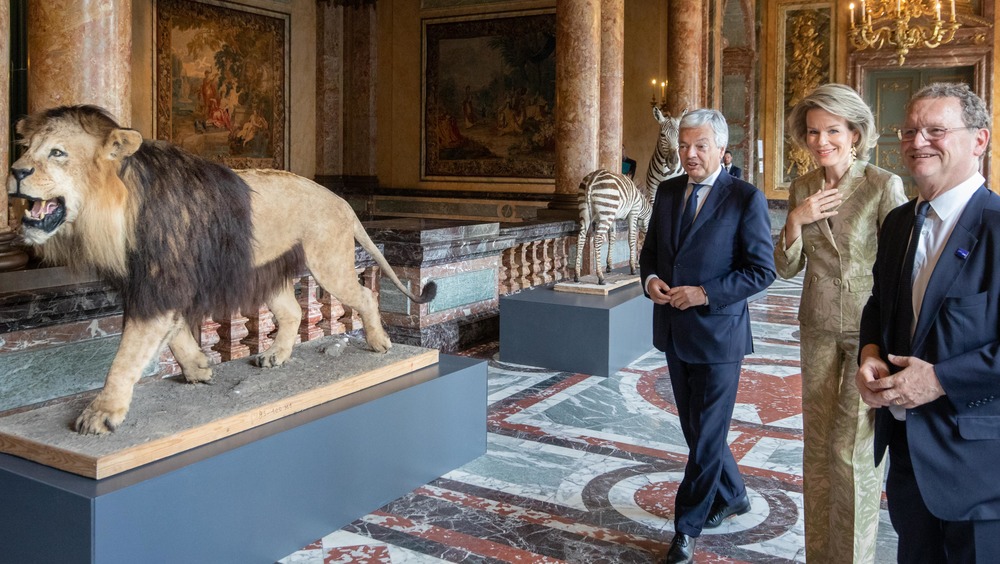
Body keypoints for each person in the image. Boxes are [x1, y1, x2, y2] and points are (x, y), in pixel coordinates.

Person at [856, 82, 1000, 562]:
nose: (918, 142)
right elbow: (879, 303)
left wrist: (940, 378)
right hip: (907, 455)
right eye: (910, 130)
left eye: (936, 130)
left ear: (979, 140)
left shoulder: (999, 228)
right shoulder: (899, 222)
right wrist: (870, 354)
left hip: (978, 469)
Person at [775, 84, 906, 563]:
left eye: (832, 130)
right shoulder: (804, 188)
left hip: (867, 334)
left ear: (855, 133)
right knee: (817, 449)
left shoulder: (881, 185)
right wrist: (796, 219)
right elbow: (786, 269)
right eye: (813, 132)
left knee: (852, 454)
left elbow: (899, 267)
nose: (821, 140)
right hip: (816, 328)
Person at [639, 109, 776, 564]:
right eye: (683, 145)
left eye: (699, 146)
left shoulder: (745, 198)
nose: (689, 154)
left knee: (708, 434)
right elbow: (651, 254)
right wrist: (650, 281)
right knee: (697, 430)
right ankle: (734, 495)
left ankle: (686, 528)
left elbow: (761, 271)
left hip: (721, 336)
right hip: (675, 333)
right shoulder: (668, 191)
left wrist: (704, 294)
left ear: (722, 149)